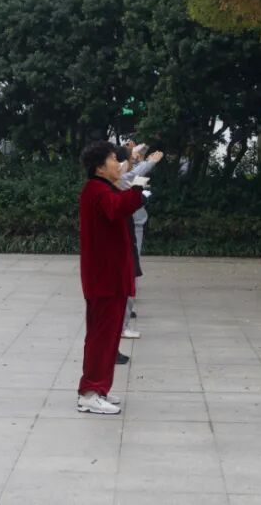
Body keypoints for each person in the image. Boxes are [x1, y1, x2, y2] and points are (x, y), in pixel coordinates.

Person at [77, 141, 145, 415]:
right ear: (100, 167)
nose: (118, 164)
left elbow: (118, 206)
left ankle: (99, 388)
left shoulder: (103, 188)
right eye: (113, 159)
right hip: (104, 278)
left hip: (110, 276)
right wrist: (137, 188)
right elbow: (117, 209)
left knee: (109, 336)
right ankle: (90, 392)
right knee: (101, 337)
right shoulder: (96, 189)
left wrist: (134, 190)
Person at [118, 146, 164, 341]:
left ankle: (122, 323)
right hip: (127, 233)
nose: (132, 162)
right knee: (129, 276)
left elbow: (133, 173)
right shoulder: (116, 180)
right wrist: (150, 162)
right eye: (130, 159)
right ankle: (122, 326)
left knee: (130, 275)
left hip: (130, 228)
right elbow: (132, 175)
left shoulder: (114, 179)